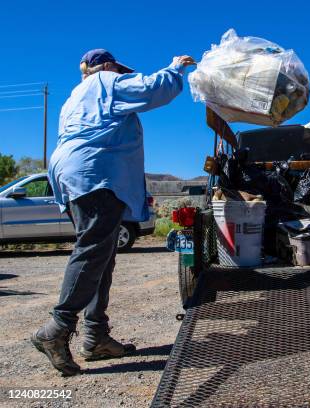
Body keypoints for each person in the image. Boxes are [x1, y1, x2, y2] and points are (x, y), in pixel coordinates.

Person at [31, 49, 196, 376]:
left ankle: (96, 337)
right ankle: (56, 329)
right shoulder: (105, 81)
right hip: (96, 173)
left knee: (100, 253)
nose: (121, 74)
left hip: (73, 174)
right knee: (93, 250)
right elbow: (152, 89)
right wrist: (176, 68)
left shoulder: (74, 97)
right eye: (118, 69)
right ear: (105, 66)